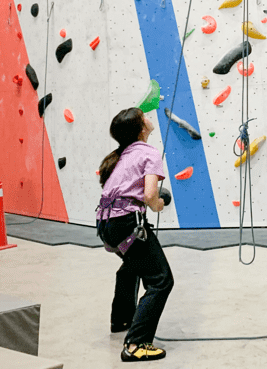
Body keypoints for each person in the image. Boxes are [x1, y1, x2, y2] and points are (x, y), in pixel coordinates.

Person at [96, 107, 174, 363]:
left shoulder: (122, 155)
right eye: (144, 116)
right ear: (142, 127)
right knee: (161, 280)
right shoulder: (148, 153)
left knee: (132, 265)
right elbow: (151, 196)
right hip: (126, 222)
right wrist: (159, 204)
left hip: (105, 223)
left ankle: (122, 319)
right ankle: (136, 343)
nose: (148, 118)